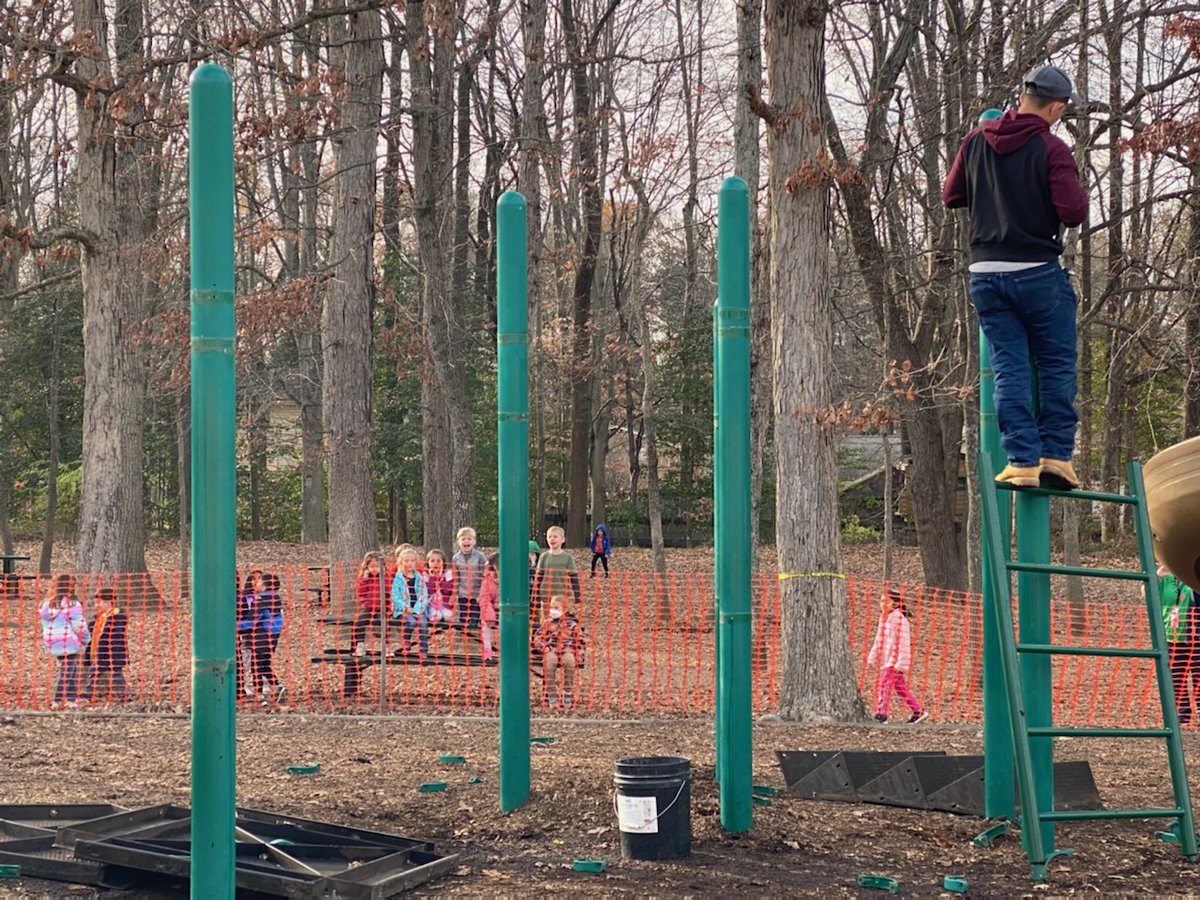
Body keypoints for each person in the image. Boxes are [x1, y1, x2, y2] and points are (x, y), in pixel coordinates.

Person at [943, 64, 1089, 490]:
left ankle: (1021, 461)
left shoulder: (975, 141)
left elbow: (952, 194)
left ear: (1021, 95)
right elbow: (1074, 212)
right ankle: (1056, 456)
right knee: (1056, 361)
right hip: (1037, 272)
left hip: (985, 272)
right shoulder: (1052, 149)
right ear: (1056, 107)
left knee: (1009, 368)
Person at [867, 589, 927, 724]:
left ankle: (881, 715)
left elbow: (904, 644)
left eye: (886, 601)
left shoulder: (901, 620)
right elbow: (879, 639)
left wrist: (901, 664)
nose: (882, 604)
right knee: (900, 688)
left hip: (895, 662)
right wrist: (872, 656)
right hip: (887, 660)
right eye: (881, 601)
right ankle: (918, 711)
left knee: (884, 684)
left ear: (895, 604)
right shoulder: (883, 618)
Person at [38, 574, 89, 709]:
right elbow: (79, 625)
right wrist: (86, 639)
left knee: (71, 669)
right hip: (68, 640)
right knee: (67, 671)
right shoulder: (72, 604)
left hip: (52, 641)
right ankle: (57, 699)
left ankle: (71, 699)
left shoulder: (46, 604)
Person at [1158, 564, 1197, 724]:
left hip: (1195, 637)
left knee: (1198, 674)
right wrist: (1159, 574)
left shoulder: (1193, 580)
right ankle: (1182, 713)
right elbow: (1148, 593)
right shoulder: (1164, 581)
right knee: (1176, 677)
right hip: (1172, 636)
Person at [533, 595, 586, 708]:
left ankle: (567, 692)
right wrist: (544, 648)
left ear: (564, 609)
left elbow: (580, 640)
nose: (553, 610)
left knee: (570, 662)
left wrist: (579, 655)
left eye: (556, 608)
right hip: (551, 649)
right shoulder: (548, 623)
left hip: (568, 649)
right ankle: (552, 693)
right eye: (552, 607)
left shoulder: (572, 624)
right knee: (549, 663)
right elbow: (538, 638)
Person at [81, 588, 130, 703]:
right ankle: (88, 693)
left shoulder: (117, 617)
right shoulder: (99, 618)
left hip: (112, 654)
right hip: (101, 653)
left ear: (107, 603)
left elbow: (115, 638)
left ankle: (124, 695)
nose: (96, 605)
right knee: (96, 672)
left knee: (116, 675)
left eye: (99, 602)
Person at [533, 526, 581, 625]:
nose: (552, 539)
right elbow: (538, 577)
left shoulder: (567, 557)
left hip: (561, 595)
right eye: (549, 537)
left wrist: (577, 595)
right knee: (547, 620)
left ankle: (561, 638)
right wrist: (535, 596)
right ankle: (546, 638)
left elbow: (573, 577)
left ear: (562, 539)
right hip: (546, 594)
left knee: (561, 619)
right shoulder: (544, 557)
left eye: (555, 537)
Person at [391, 547, 430, 661]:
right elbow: (395, 596)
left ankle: (423, 651)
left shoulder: (419, 577)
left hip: (417, 609)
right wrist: (405, 607)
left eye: (412, 561)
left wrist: (417, 609)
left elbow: (424, 595)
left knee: (423, 623)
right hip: (403, 610)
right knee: (411, 622)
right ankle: (406, 639)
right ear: (401, 562)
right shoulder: (398, 579)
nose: (410, 563)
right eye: (407, 561)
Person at [254, 571, 285, 704]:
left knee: (257, 664)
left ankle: (259, 693)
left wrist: (236, 625)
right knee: (265, 663)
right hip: (273, 637)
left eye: (259, 581)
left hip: (261, 636)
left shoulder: (261, 600)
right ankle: (277, 686)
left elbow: (252, 619)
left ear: (265, 585)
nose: (257, 583)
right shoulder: (276, 598)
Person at [452, 527, 487, 628]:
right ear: (458, 542)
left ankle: (476, 641)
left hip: (476, 594)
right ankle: (464, 641)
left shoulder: (480, 556)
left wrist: (482, 593)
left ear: (474, 541)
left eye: (469, 539)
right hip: (463, 594)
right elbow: (456, 577)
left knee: (474, 621)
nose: (466, 541)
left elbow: (484, 574)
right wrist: (455, 593)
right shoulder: (456, 558)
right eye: (463, 539)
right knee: (463, 620)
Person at [353, 551, 386, 657]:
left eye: (377, 566)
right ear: (367, 567)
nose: (374, 569)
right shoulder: (365, 579)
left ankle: (386, 645)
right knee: (359, 620)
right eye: (372, 566)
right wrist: (364, 579)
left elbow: (389, 590)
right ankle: (360, 645)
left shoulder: (385, 578)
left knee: (384, 621)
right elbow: (360, 592)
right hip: (368, 607)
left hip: (382, 607)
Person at [425, 549, 456, 626]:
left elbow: (447, 590)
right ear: (428, 563)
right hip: (431, 606)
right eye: (432, 561)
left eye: (438, 561)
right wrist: (432, 578)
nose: (435, 563)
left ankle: (442, 615)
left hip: (445, 604)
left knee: (448, 617)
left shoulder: (448, 575)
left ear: (443, 563)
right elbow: (429, 592)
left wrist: (441, 578)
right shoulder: (425, 576)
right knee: (436, 617)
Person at [478, 553, 500, 662]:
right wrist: (489, 614)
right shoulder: (488, 580)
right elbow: (484, 598)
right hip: (491, 610)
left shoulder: (513, 580)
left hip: (506, 612)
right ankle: (487, 650)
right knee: (485, 625)